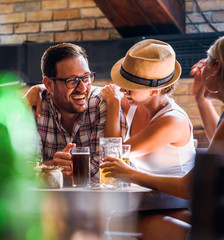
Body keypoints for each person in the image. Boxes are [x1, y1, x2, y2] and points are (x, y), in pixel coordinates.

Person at [102, 36, 224, 240]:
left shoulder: (171, 120)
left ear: (217, 67)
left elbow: (189, 187)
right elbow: (216, 146)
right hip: (193, 209)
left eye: (206, 61)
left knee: (118, 226)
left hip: (194, 207)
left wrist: (129, 173)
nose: (200, 68)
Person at [26, 43, 127, 184]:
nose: (82, 88)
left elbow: (108, 174)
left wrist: (48, 172)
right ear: (49, 84)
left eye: (86, 77)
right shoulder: (35, 106)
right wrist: (53, 166)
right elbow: (20, 171)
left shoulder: (103, 103)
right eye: (72, 81)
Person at [102, 39, 196, 177]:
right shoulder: (135, 102)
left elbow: (114, 154)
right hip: (140, 192)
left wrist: (113, 103)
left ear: (155, 91)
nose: (122, 90)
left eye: (130, 88)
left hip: (173, 196)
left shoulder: (172, 122)